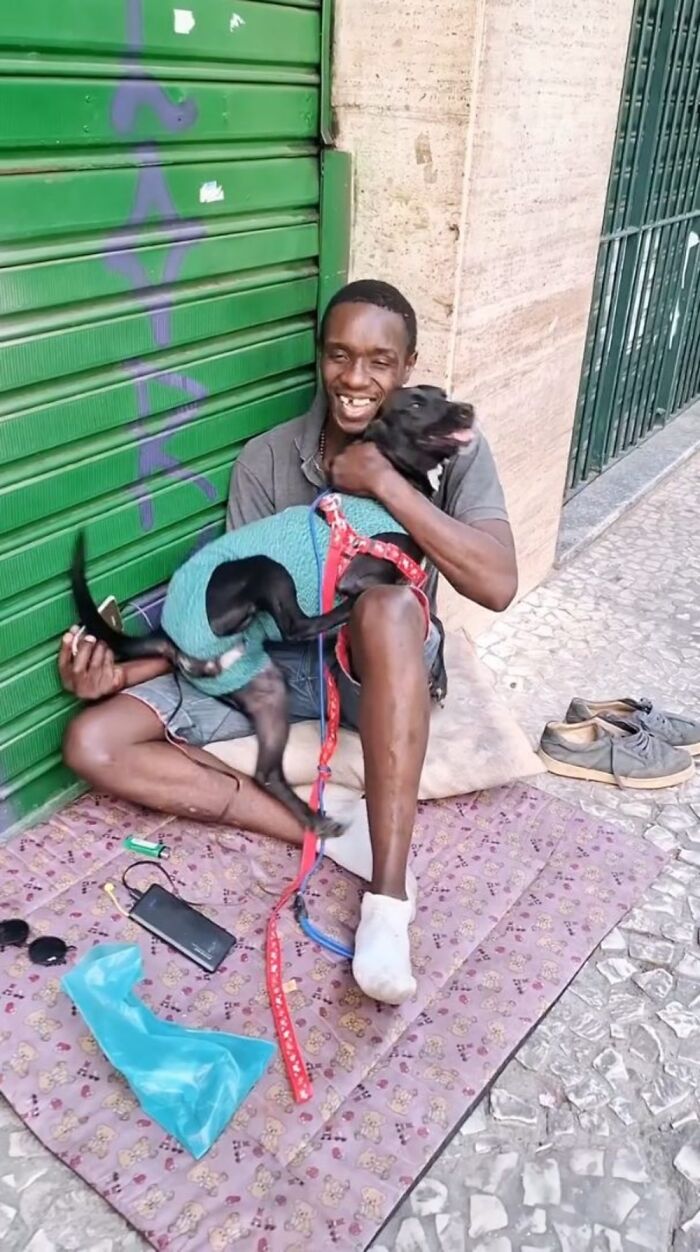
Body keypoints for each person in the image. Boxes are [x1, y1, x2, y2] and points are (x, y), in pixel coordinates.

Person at [60, 280, 517, 1005]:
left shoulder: (448, 441)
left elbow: (496, 583)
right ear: (319, 357)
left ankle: (388, 905)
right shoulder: (269, 459)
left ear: (408, 366)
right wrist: (122, 671)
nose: (356, 379)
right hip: (281, 662)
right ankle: (325, 833)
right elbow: (235, 608)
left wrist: (384, 485)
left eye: (379, 361)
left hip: (382, 667)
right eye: (339, 355)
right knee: (94, 742)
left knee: (389, 605)